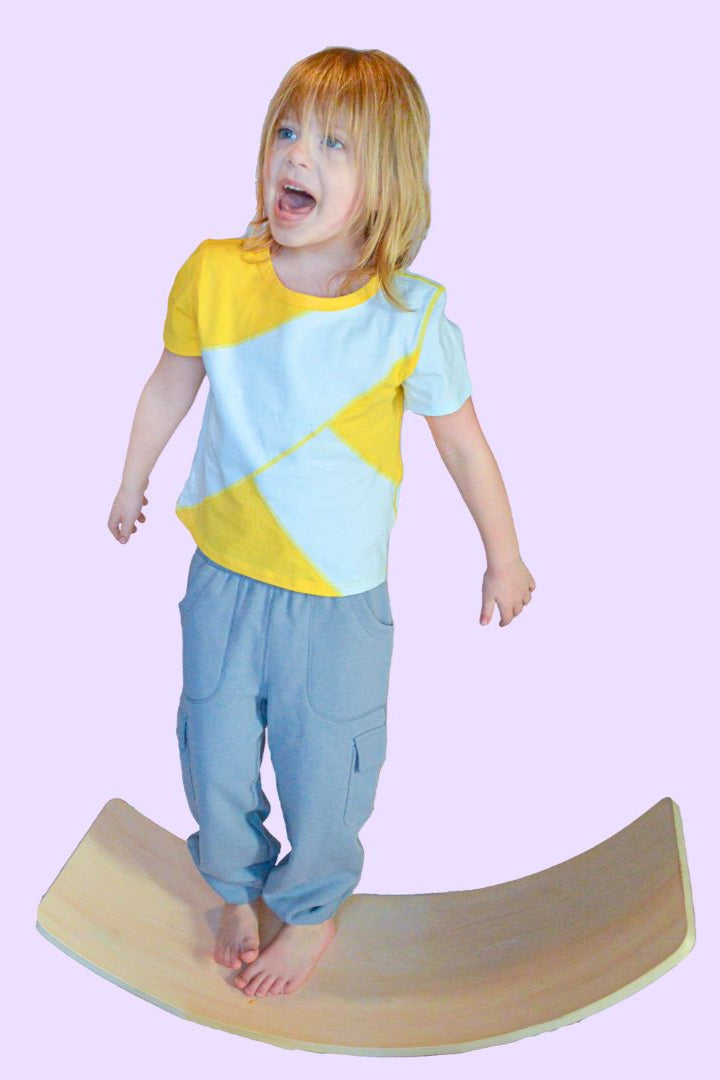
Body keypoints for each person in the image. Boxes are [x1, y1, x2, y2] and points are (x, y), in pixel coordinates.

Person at [107, 46, 535, 999]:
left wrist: (503, 557)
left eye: (335, 143)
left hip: (336, 602)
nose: (297, 154)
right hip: (225, 574)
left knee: (328, 766)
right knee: (214, 748)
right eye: (288, 131)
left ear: (386, 181)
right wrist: (132, 479)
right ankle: (235, 887)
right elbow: (171, 381)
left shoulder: (408, 317)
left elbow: (466, 448)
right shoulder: (216, 274)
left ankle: (310, 908)